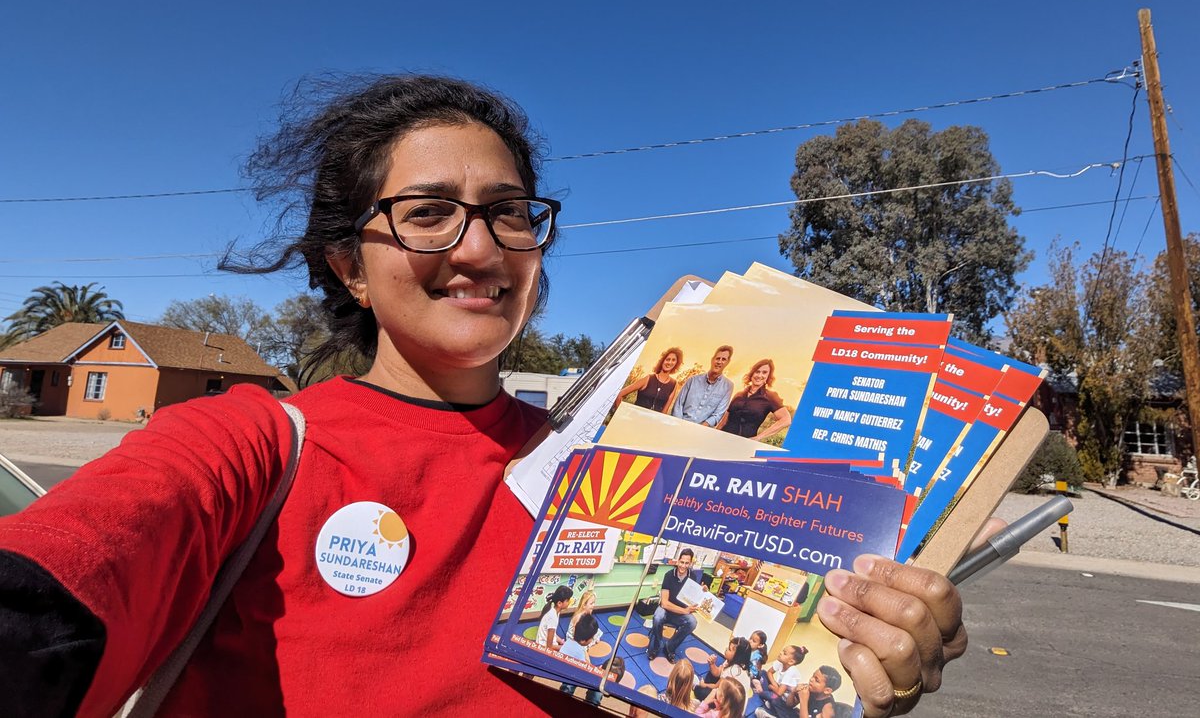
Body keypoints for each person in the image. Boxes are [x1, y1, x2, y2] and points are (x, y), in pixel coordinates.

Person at [0, 74, 976, 718]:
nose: (478, 248)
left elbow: (692, 677)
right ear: (347, 263)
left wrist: (848, 669)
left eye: (509, 215)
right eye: (428, 214)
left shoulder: (621, 472)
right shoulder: (250, 445)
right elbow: (66, 580)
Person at [716, 358, 792, 441]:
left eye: (764, 372)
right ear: (752, 374)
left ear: (768, 376)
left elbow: (786, 420)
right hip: (723, 439)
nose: (759, 375)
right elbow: (724, 421)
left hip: (745, 443)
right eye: (757, 371)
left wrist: (759, 437)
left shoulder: (770, 397)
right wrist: (714, 434)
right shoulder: (738, 395)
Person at [647, 548, 701, 663]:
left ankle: (670, 647)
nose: (683, 566)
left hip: (680, 613)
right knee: (657, 617)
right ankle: (656, 646)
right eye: (682, 562)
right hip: (666, 610)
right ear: (677, 561)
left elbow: (692, 600)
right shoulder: (668, 575)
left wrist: (703, 592)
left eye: (687, 563)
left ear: (690, 564)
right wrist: (684, 610)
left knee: (692, 622)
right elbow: (664, 603)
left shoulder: (693, 577)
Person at [671, 346, 735, 427]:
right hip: (680, 424)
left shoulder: (728, 386)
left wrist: (699, 429)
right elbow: (678, 405)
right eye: (718, 358)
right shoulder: (692, 380)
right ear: (712, 360)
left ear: (727, 362)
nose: (719, 362)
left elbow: (718, 415)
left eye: (723, 359)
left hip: (702, 431)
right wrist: (679, 425)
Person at [616, 347, 684, 414]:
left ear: (676, 364)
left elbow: (664, 413)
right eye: (667, 359)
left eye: (673, 360)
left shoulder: (674, 384)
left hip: (651, 423)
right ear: (663, 361)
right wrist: (621, 415)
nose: (669, 362)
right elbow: (619, 395)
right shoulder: (648, 379)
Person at [695, 635, 753, 705]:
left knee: (699, 690)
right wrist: (712, 664)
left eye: (729, 649)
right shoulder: (732, 661)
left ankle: (699, 692)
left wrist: (703, 685)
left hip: (729, 706)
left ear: (737, 656)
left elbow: (716, 686)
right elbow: (718, 673)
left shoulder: (733, 671)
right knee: (711, 675)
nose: (726, 649)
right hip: (725, 691)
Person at [537, 585, 574, 651]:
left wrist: (562, 642)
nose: (569, 602)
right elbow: (549, 646)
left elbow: (552, 634)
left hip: (548, 643)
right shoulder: (552, 617)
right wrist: (565, 648)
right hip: (543, 648)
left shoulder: (555, 610)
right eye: (567, 600)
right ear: (559, 603)